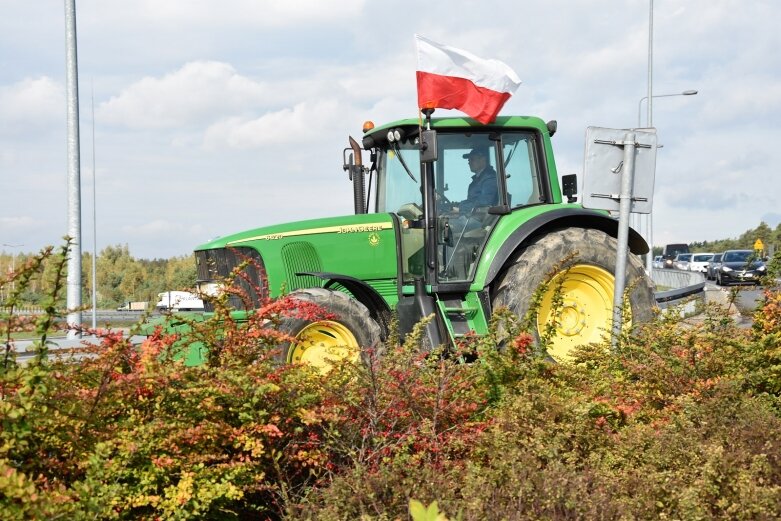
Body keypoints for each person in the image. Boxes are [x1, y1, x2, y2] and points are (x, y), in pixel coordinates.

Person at [452, 146, 498, 214]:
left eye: (472, 159)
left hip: (484, 219)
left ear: (483, 159)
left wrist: (461, 208)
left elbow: (484, 202)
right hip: (475, 216)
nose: (469, 162)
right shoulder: (477, 180)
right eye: (469, 160)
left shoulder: (490, 178)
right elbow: (472, 201)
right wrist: (458, 205)